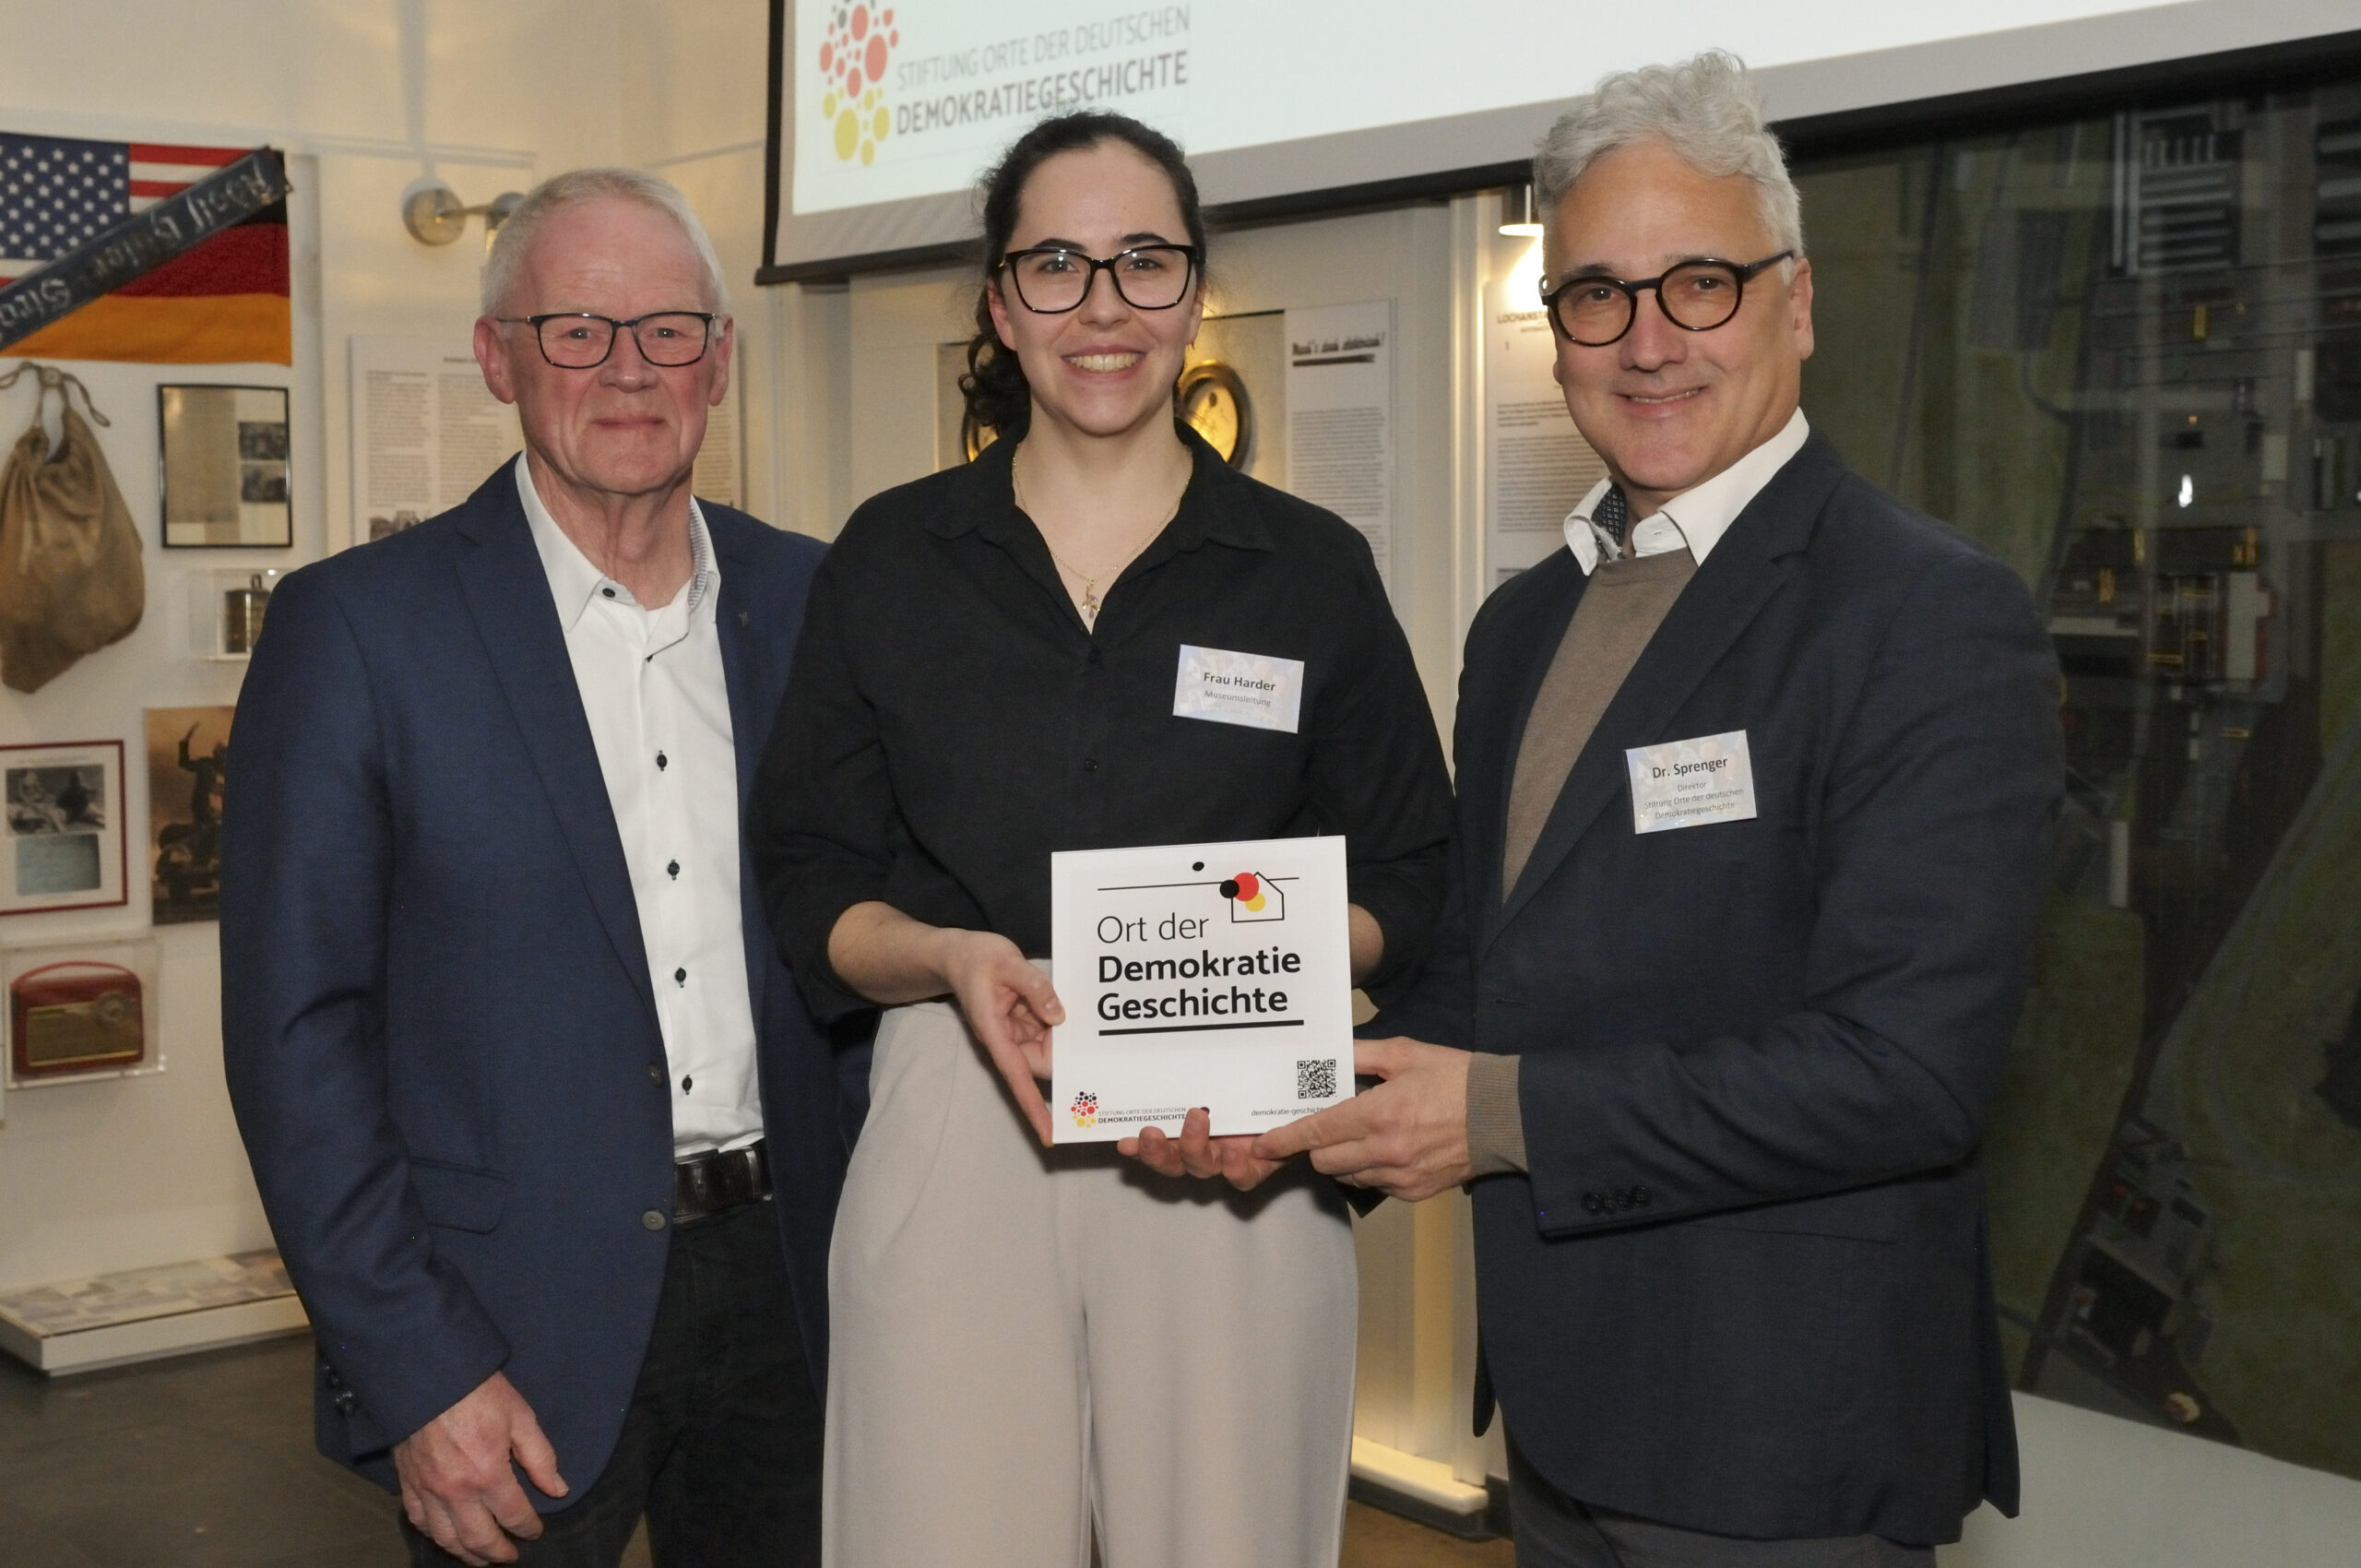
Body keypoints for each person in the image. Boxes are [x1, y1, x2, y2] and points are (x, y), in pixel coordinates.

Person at [1256, 53, 2063, 1565]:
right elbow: (1486, 978)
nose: (1645, 341)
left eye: (1700, 284)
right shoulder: (1523, 626)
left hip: (1786, 1446)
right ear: (1552, 328)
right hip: (1566, 1424)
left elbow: (1904, 1072)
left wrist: (1492, 1115)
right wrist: (1278, 1099)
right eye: (1595, 295)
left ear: (1798, 304)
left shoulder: (1929, 617)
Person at [748, 111, 1452, 1568]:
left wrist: (1247, 961)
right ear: (1000, 307)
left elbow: (1411, 876)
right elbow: (813, 874)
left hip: (1238, 1136)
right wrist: (947, 957)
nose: (1103, 310)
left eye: (1143, 263)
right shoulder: (891, 557)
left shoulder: (1309, 571)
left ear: (1195, 292)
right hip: (959, 1110)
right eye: (1056, 265)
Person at [221, 168, 848, 1568]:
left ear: (722, 360)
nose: (628, 372)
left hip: (794, 1300)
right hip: (503, 1322)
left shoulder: (816, 602)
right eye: (577, 329)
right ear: (497, 356)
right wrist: (415, 1366)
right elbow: (295, 1039)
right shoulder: (359, 631)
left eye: (670, 330)